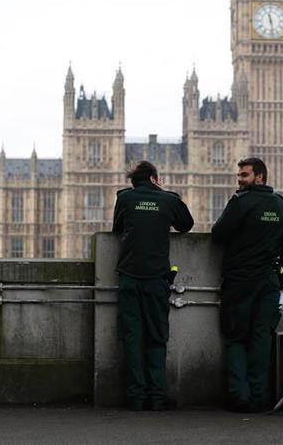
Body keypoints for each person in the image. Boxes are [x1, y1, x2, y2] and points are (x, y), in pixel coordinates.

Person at [211, 157, 283, 413]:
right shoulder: (282, 206)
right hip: (268, 282)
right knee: (261, 339)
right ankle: (259, 398)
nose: (239, 179)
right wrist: (280, 277)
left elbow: (218, 235)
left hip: (240, 281)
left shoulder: (241, 202)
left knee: (236, 337)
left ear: (259, 177)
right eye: (239, 175)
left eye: (244, 175)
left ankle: (240, 396)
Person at [112, 160, 194, 411]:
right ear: (154, 178)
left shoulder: (125, 198)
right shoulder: (168, 200)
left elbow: (117, 228)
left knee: (131, 337)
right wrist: (162, 193)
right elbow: (186, 225)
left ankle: (136, 397)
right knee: (157, 337)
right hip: (157, 278)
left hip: (129, 277)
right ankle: (158, 396)